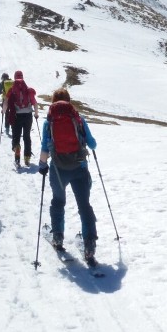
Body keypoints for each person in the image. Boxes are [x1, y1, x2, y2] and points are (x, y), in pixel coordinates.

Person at [38, 88, 98, 265]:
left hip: (58, 170)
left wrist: (42, 165)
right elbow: (92, 144)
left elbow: (45, 148)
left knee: (58, 201)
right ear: (69, 101)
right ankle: (89, 246)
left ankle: (57, 237)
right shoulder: (79, 119)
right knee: (84, 205)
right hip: (80, 168)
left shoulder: (49, 122)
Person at [1, 70, 39, 167]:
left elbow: (6, 102)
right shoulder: (28, 89)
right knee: (27, 136)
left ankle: (17, 151)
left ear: (14, 77)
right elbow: (34, 103)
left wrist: (3, 111)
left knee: (16, 136)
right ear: (22, 77)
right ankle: (27, 158)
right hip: (28, 116)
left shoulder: (11, 90)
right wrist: (36, 114)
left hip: (17, 116)